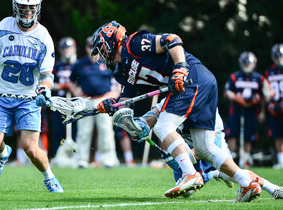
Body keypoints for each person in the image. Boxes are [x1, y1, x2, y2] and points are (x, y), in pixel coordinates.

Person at [91, 20, 262, 202]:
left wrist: (180, 67)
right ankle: (247, 183)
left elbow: (172, 40)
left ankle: (190, 174)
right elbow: (127, 99)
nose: (101, 56)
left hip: (190, 79)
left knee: (163, 126)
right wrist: (114, 105)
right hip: (199, 83)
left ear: (111, 42)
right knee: (205, 148)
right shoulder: (121, 71)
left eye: (101, 49)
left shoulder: (134, 44)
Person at [0, 0, 63, 192]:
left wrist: (44, 89)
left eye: (31, 8)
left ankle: (48, 176)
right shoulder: (2, 28)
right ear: (15, 7)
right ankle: (2, 154)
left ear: (38, 8)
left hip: (27, 99)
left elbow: (46, 75)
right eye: (23, 7)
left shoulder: (43, 36)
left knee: (31, 149)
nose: (27, 12)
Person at [138, 98, 283, 199]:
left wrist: (184, 157)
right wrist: (137, 127)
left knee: (231, 173)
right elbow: (152, 119)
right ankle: (213, 173)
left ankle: (273, 188)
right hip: (186, 144)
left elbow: (207, 146)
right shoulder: (167, 102)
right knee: (185, 192)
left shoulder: (205, 102)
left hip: (211, 141)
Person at [69, 36, 119, 168]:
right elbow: (71, 80)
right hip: (86, 100)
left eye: (95, 47)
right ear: (86, 48)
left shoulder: (107, 62)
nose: (93, 50)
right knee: (84, 131)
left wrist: (114, 93)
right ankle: (81, 160)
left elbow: (118, 80)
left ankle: (108, 159)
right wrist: (76, 91)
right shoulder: (80, 64)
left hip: (103, 99)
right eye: (90, 47)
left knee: (106, 130)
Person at [224, 51, 272, 167]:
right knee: (232, 134)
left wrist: (260, 107)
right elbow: (226, 92)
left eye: (248, 63)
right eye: (244, 63)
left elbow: (267, 94)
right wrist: (236, 97)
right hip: (236, 110)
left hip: (252, 111)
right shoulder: (235, 76)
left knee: (248, 135)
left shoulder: (259, 78)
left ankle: (245, 158)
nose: (246, 66)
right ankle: (231, 159)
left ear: (253, 64)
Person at [51, 37, 77, 156]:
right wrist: (62, 86)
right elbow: (50, 84)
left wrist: (74, 88)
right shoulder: (57, 66)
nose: (67, 51)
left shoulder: (78, 65)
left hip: (75, 103)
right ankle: (57, 155)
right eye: (64, 48)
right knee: (58, 130)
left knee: (76, 130)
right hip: (60, 103)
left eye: (69, 48)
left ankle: (77, 155)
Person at [264, 44, 283, 169]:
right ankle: (281, 161)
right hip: (275, 106)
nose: (278, 59)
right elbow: (265, 90)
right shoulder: (269, 72)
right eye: (276, 56)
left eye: (280, 56)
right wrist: (270, 105)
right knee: (277, 135)